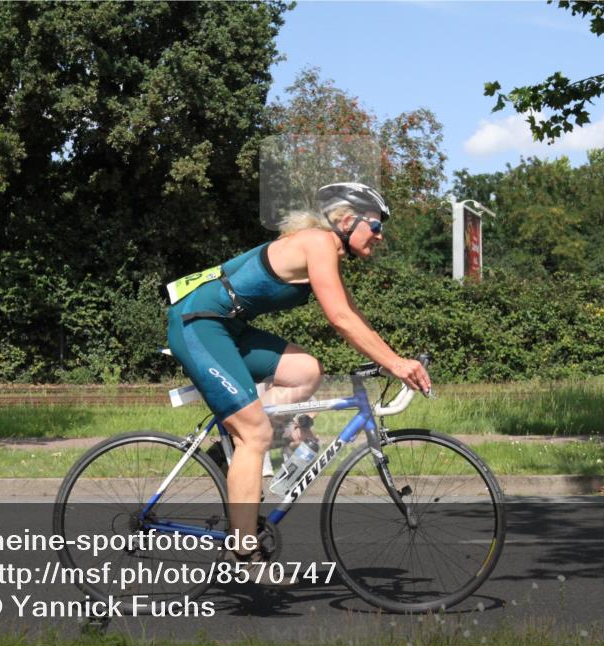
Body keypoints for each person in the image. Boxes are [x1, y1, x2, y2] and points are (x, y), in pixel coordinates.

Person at [166, 182, 431, 584]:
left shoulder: (326, 252)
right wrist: (395, 365)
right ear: (346, 220)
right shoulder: (317, 243)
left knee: (305, 369)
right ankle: (245, 552)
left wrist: (392, 358)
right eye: (375, 225)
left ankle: (234, 456)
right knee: (254, 433)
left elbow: (353, 317)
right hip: (198, 324)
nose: (380, 235)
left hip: (227, 327)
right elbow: (339, 319)